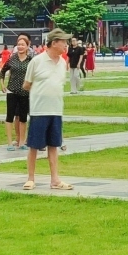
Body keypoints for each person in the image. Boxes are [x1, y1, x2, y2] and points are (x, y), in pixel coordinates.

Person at [23, 29, 72, 191]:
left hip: (56, 110)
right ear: (53, 43)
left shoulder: (63, 63)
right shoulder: (37, 61)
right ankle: (30, 178)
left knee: (53, 145)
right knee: (34, 145)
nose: (66, 45)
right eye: (63, 41)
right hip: (39, 110)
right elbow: (27, 85)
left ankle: (55, 180)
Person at [0, 34, 32, 151]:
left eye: (23, 45)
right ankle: (9, 142)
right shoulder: (12, 58)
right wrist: (2, 84)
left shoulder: (31, 60)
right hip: (12, 91)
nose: (20, 47)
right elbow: (2, 72)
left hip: (25, 92)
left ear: (28, 46)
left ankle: (22, 142)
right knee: (10, 116)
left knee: (23, 118)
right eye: (18, 44)